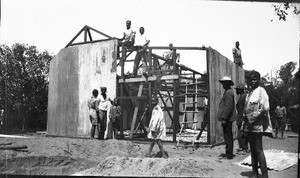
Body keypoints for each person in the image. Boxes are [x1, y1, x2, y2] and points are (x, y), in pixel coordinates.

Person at [244, 70, 273, 178]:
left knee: (258, 150)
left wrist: (252, 116)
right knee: (252, 150)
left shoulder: (261, 91)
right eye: (251, 79)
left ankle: (265, 175)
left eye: (255, 79)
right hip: (249, 125)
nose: (252, 81)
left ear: (259, 80)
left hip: (257, 124)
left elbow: (265, 108)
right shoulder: (249, 93)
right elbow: (246, 110)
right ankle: (255, 173)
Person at [217, 76, 236, 159]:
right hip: (228, 118)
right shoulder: (228, 92)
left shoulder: (228, 93)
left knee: (228, 136)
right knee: (228, 136)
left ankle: (229, 154)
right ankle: (228, 153)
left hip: (227, 119)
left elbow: (228, 107)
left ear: (228, 83)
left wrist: (224, 118)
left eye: (224, 83)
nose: (223, 85)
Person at [235, 83, 249, 153]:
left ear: (240, 90)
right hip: (240, 117)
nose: (236, 91)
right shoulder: (241, 96)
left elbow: (246, 107)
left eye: (237, 90)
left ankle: (244, 148)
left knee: (243, 134)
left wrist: (244, 117)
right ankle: (242, 147)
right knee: (240, 134)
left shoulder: (244, 96)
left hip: (243, 117)